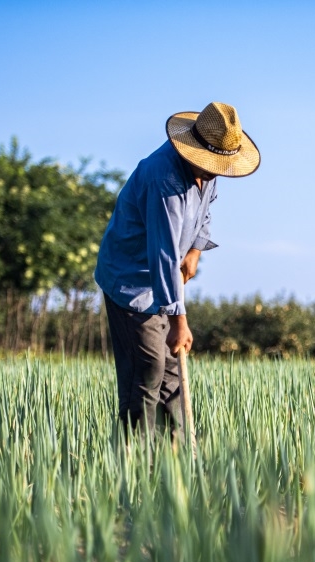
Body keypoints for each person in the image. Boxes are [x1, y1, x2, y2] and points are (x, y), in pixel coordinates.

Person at [94, 101, 260, 437]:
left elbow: (205, 211)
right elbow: (164, 255)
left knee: (172, 374)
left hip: (163, 281)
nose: (215, 171)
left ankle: (176, 461)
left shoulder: (208, 171)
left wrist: (197, 249)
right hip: (131, 282)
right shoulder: (165, 180)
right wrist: (178, 323)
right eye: (211, 163)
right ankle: (135, 462)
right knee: (149, 369)